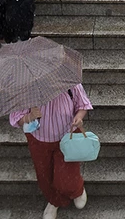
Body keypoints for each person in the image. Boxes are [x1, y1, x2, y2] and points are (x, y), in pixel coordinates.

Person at [10, 84, 92, 219]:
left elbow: (83, 104)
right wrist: (29, 116)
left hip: (66, 136)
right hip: (39, 140)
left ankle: (76, 189)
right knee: (45, 175)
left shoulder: (70, 83)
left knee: (68, 174)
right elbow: (17, 118)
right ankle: (54, 201)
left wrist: (79, 117)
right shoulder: (25, 87)